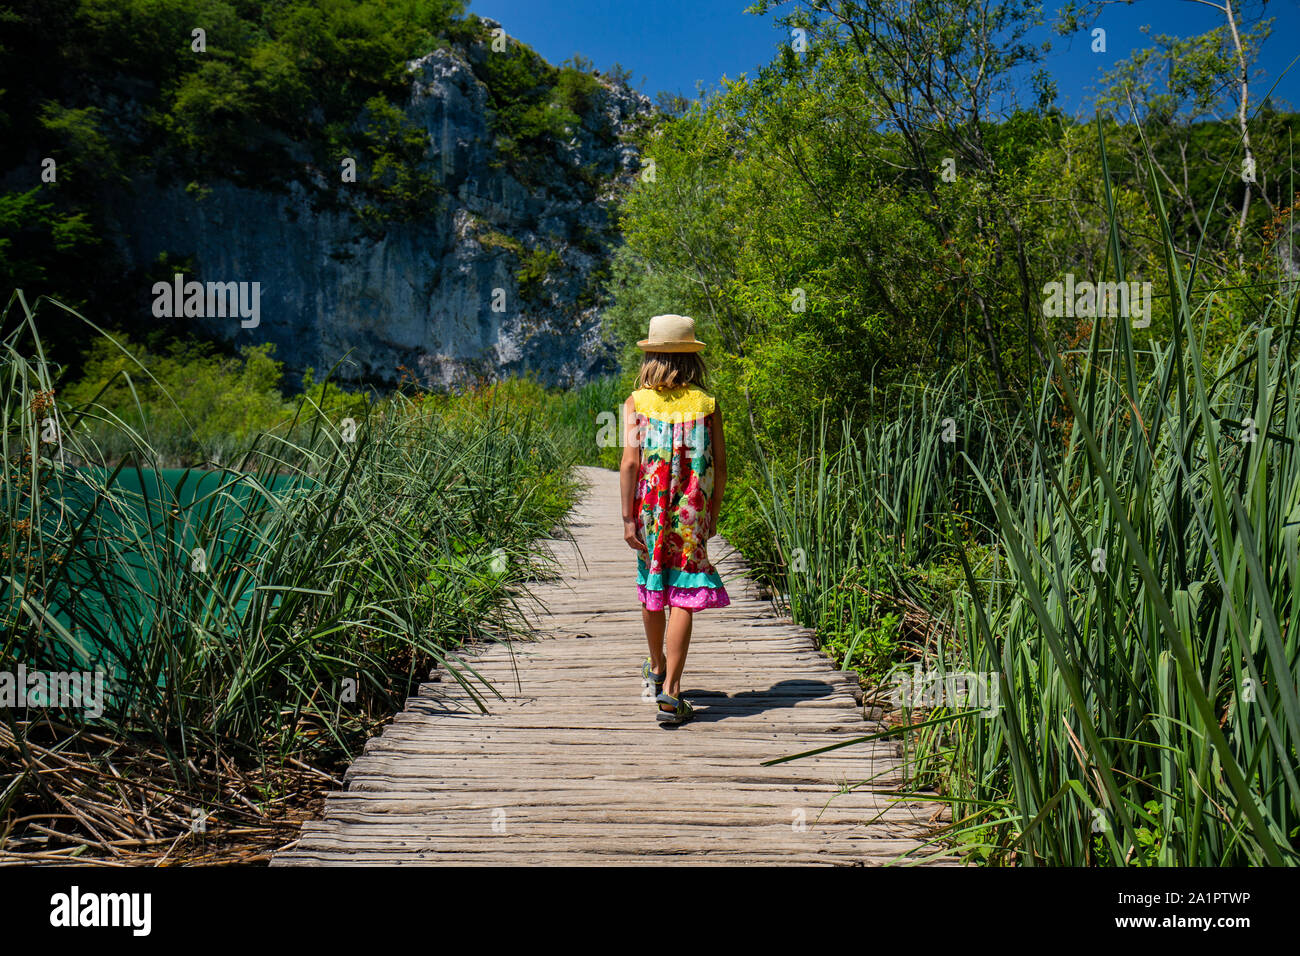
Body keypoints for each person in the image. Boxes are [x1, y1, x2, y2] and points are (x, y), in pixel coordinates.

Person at [619, 314, 729, 725]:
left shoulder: (635, 403)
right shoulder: (707, 404)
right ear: (691, 359)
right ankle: (672, 691)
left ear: (652, 356)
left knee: (652, 583)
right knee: (684, 591)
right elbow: (720, 463)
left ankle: (655, 666)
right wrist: (713, 514)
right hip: (692, 513)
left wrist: (628, 518)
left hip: (649, 511)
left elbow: (630, 463)